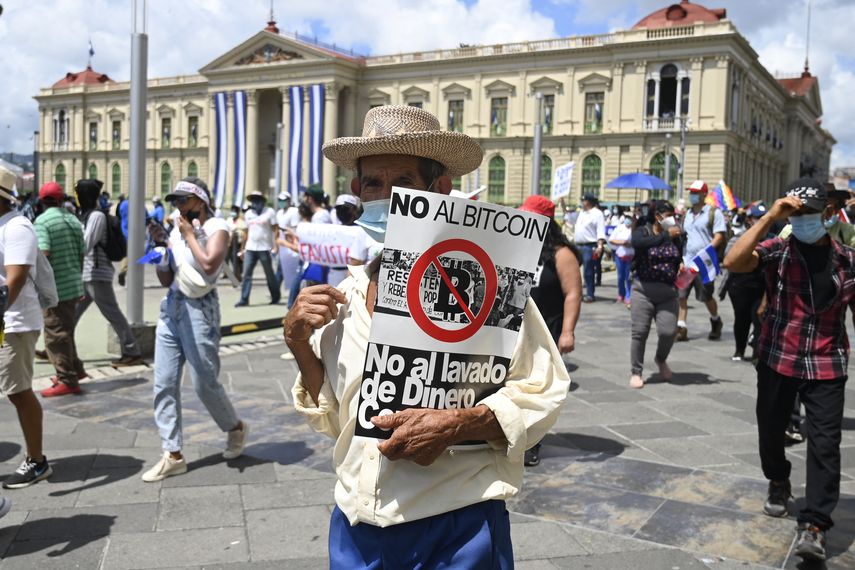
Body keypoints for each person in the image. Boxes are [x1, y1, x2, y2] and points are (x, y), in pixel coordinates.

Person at [283, 105, 570, 568]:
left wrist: (459, 422)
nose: (388, 198)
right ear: (358, 191)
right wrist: (299, 344)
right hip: (356, 528)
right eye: (375, 184)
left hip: (456, 528)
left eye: (404, 184)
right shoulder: (346, 294)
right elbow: (339, 419)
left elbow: (544, 389)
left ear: (440, 190)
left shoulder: (488, 285)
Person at [723, 178, 855, 563]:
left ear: (827, 213)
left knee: (826, 445)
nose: (800, 220)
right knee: (770, 431)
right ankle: (778, 479)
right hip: (778, 357)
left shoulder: (847, 259)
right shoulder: (777, 250)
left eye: (807, 213)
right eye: (794, 213)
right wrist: (770, 217)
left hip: (827, 362)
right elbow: (733, 262)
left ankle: (814, 523)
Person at [142, 177, 248, 482]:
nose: (177, 206)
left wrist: (188, 235)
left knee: (204, 383)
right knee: (163, 381)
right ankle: (172, 453)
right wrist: (163, 252)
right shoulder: (177, 229)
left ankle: (235, 427)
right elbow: (167, 278)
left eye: (183, 200)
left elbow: (210, 264)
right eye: (174, 201)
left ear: (200, 201)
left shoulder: (219, 228)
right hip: (172, 307)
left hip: (200, 310)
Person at [518, 195, 582, 467]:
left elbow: (573, 293)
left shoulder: (561, 253)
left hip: (547, 330)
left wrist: (568, 331)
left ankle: (532, 442)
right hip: (515, 329)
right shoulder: (518, 246)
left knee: (536, 390)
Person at [0, 167, 52, 488]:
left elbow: (15, 279)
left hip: (13, 322)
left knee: (18, 391)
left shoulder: (17, 227)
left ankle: (37, 460)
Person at [74, 180, 142, 367]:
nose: (77, 198)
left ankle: (132, 351)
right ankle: (59, 348)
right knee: (71, 314)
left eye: (79, 194)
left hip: (97, 274)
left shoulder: (96, 216)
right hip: (88, 274)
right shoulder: (87, 215)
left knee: (112, 314)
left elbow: (86, 244)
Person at [33, 182, 88, 397]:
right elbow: (81, 253)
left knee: (55, 334)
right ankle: (76, 369)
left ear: (41, 200)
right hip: (73, 284)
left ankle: (67, 379)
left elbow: (43, 254)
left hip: (55, 288)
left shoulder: (43, 222)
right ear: (61, 198)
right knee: (66, 330)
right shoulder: (73, 220)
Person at [628, 200, 683, 389]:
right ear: (657, 216)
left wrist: (683, 267)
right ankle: (636, 371)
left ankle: (661, 359)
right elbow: (638, 243)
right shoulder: (643, 231)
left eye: (672, 215)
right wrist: (666, 235)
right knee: (640, 332)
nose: (671, 219)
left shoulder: (676, 234)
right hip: (643, 290)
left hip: (668, 292)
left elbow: (678, 256)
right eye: (667, 215)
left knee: (668, 331)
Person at [719, 204, 770, 363]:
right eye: (757, 219)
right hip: (739, 286)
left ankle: (757, 352)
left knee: (759, 318)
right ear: (749, 220)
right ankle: (739, 350)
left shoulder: (772, 239)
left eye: (764, 219)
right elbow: (729, 258)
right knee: (741, 319)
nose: (761, 222)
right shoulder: (739, 237)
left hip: (762, 287)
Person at [677, 180, 726, 342]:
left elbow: (719, 235)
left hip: (704, 263)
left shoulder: (713, 213)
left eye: (695, 193)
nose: (692, 195)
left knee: (706, 296)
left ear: (704, 194)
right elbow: (684, 237)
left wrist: (707, 251)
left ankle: (715, 320)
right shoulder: (687, 215)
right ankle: (681, 326)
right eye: (691, 192)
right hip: (688, 261)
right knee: (681, 294)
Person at [235, 190, 279, 307]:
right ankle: (244, 299)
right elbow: (246, 232)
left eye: (257, 199)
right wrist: (242, 248)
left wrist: (276, 245)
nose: (255, 202)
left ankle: (275, 296)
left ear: (262, 201)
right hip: (250, 248)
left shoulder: (269, 212)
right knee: (246, 274)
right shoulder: (248, 214)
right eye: (253, 200)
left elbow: (275, 229)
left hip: (265, 247)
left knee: (269, 274)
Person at [573, 194, 605, 302]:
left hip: (589, 245)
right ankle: (576, 293)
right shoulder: (581, 212)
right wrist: (562, 201)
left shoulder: (597, 214)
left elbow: (600, 231)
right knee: (573, 270)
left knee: (588, 271)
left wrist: (600, 246)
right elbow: (567, 215)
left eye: (584, 200)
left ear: (590, 202)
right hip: (578, 245)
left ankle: (590, 294)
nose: (582, 202)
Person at [328, 194, 361, 287]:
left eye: (345, 209)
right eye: (339, 209)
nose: (341, 212)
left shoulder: (361, 231)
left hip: (354, 276)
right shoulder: (331, 231)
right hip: (334, 275)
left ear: (354, 210)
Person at [609, 214, 634, 306]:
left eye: (630, 218)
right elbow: (611, 239)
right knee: (620, 277)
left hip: (631, 256)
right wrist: (622, 242)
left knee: (629, 277)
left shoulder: (635, 229)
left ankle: (628, 295)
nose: (628, 220)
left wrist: (630, 244)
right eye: (627, 218)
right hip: (620, 255)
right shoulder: (619, 228)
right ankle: (621, 294)